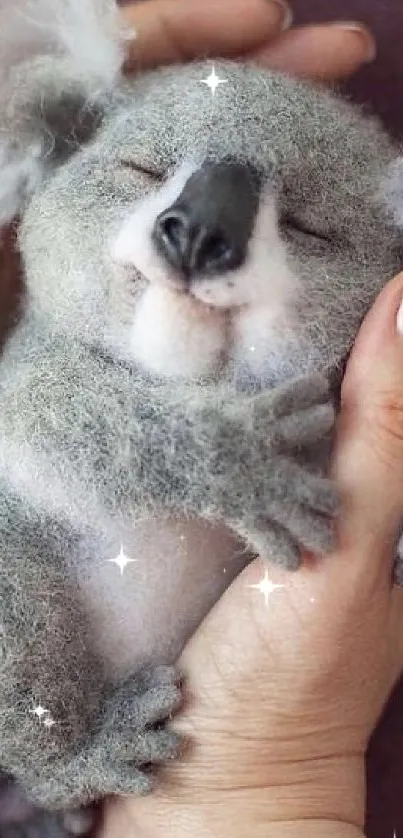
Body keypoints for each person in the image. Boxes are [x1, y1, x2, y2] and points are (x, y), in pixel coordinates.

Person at [1, 2, 399, 836]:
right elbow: (35, 431)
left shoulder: (341, 422)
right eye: (143, 172)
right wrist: (198, 454)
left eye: (307, 227)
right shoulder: (52, 362)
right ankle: (57, 758)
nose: (196, 228)